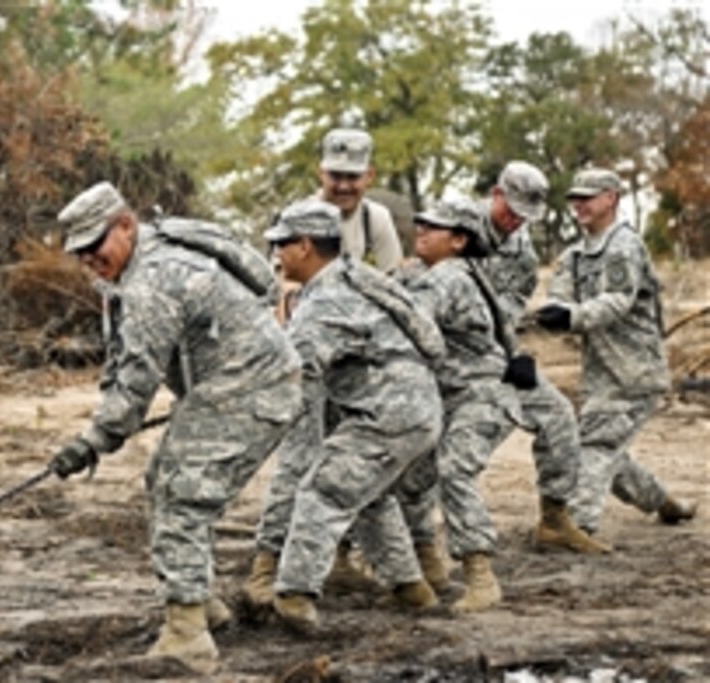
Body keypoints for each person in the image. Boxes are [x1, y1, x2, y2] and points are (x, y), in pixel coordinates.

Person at [49, 181, 302, 674]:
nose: (89, 261)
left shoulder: (153, 278)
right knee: (163, 478)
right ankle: (200, 600)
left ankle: (187, 634)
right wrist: (100, 429)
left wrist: (93, 441)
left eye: (94, 247)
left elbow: (137, 383)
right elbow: (124, 364)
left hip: (251, 387)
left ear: (125, 225)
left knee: (184, 495)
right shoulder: (143, 263)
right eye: (80, 254)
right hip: (231, 386)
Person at [239, 199, 444, 633]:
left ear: (306, 246)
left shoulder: (325, 301)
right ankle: (411, 587)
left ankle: (294, 596)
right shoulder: (357, 277)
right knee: (368, 497)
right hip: (413, 413)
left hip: (387, 417)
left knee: (322, 488)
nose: (276, 255)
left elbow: (291, 369)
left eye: (282, 245)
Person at [451, 161, 610, 574]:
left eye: (526, 213)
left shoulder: (523, 252)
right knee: (449, 447)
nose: (516, 219)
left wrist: (514, 350)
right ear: (495, 192)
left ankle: (554, 519)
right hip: (447, 355)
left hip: (493, 352)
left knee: (557, 414)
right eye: (511, 208)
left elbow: (507, 310)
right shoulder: (453, 224)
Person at [537, 167, 696, 535]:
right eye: (575, 198)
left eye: (587, 198)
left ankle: (577, 524)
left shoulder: (624, 246)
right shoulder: (574, 254)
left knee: (597, 444)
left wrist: (571, 316)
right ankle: (665, 503)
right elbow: (558, 296)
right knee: (601, 444)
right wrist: (552, 312)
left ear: (611, 198)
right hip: (600, 373)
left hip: (636, 372)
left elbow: (616, 301)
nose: (579, 205)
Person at [394, 200, 522, 613]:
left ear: (459, 240)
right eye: (421, 224)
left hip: (481, 396)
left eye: (434, 227)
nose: (421, 230)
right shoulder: (446, 273)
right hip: (458, 397)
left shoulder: (448, 277)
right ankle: (429, 563)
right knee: (414, 478)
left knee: (454, 470)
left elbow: (408, 324)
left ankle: (480, 576)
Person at [316, 128, 404, 272]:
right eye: (335, 176)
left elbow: (393, 280)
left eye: (353, 176)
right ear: (321, 174)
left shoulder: (376, 219)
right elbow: (282, 282)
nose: (343, 187)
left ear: (370, 175)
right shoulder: (297, 220)